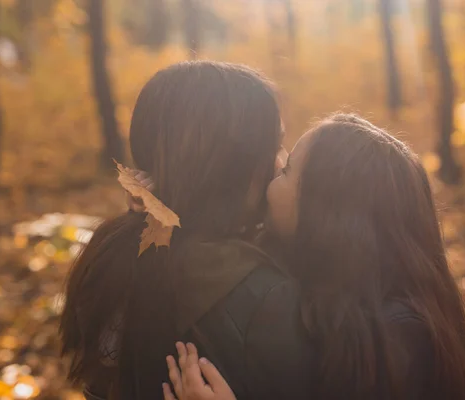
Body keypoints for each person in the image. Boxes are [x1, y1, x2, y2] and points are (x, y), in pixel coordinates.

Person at [158, 114, 465, 400]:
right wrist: (161, 204)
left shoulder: (399, 341)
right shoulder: (344, 298)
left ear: (325, 212)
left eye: (288, 169)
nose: (274, 168)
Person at [59, 61, 315, 400]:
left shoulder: (108, 254)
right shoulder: (265, 294)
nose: (281, 161)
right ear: (233, 163)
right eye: (275, 146)